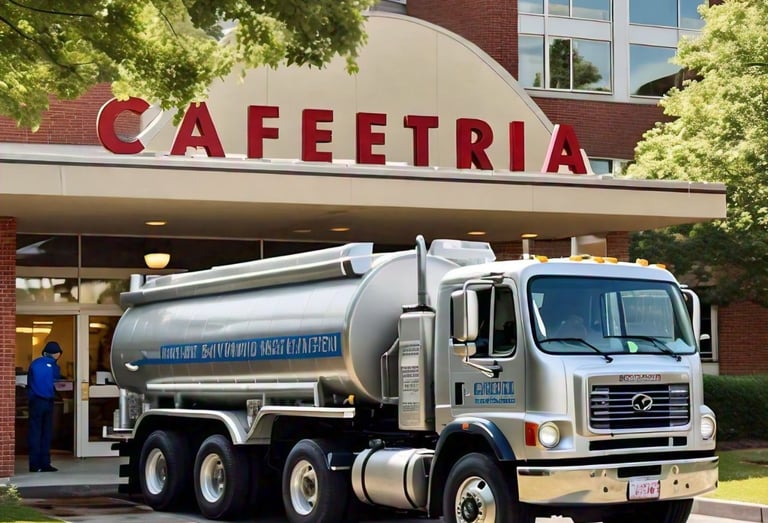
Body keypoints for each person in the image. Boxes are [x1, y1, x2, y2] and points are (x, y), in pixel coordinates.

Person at [27, 341, 63, 472]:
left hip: (35, 401)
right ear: (57, 354)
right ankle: (45, 463)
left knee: (35, 432)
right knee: (46, 433)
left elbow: (29, 382)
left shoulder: (35, 363)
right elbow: (57, 380)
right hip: (48, 401)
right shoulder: (54, 366)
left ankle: (34, 464)